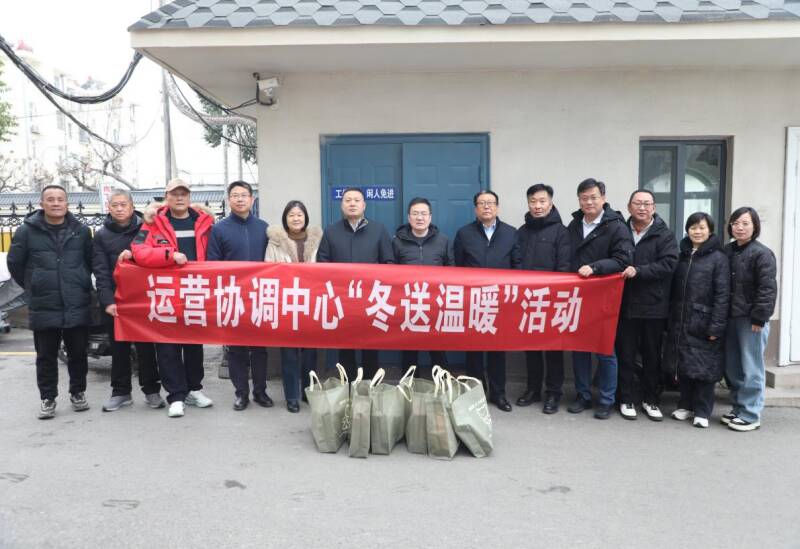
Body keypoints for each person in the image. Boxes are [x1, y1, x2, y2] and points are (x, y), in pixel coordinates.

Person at [129, 178, 215, 418]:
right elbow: (139, 251)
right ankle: (176, 396)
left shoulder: (205, 222)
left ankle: (194, 389)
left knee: (194, 344)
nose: (179, 198)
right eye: (174, 194)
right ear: (166, 197)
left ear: (189, 197)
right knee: (168, 347)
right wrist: (169, 255)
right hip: (166, 293)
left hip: (196, 292)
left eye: (183, 194)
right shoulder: (152, 223)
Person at [7, 185, 93, 419]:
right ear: (42, 204)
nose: (56, 203)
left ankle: (78, 392)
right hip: (44, 302)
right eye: (51, 199)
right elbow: (15, 263)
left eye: (60, 199)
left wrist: (79, 281)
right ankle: (48, 397)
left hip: (75, 300)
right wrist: (35, 283)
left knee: (78, 353)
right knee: (45, 355)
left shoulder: (81, 231)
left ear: (67, 203)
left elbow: (89, 261)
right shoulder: (26, 231)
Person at [566, 178, 633, 420]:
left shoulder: (616, 227)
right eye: (584, 198)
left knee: (606, 350)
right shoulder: (574, 225)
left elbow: (623, 260)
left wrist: (595, 268)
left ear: (603, 198)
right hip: (578, 297)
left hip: (605, 297)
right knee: (579, 349)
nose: (589, 202)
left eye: (593, 197)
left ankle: (606, 400)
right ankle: (582, 395)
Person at [92, 188, 164, 412]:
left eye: (124, 204)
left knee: (146, 347)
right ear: (109, 208)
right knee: (119, 348)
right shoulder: (101, 235)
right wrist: (108, 301)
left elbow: (157, 256)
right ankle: (121, 392)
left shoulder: (146, 228)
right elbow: (101, 272)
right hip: (117, 300)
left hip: (144, 298)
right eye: (115, 205)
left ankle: (151, 390)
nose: (120, 209)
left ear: (132, 207)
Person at [207, 181, 272, 412]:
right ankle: (241, 393)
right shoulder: (219, 229)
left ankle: (260, 391)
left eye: (244, 195)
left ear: (252, 199)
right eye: (235, 195)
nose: (240, 199)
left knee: (260, 348)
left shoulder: (264, 228)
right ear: (229, 200)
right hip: (232, 296)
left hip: (259, 297)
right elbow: (212, 264)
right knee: (236, 349)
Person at [453, 190, 521, 412]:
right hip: (472, 301)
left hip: (500, 302)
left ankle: (498, 394)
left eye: (490, 203)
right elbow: (457, 267)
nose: (486, 207)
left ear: (497, 207)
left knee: (497, 350)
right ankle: (475, 393)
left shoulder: (511, 233)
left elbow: (517, 266)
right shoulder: (464, 234)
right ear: (475, 208)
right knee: (473, 350)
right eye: (481, 203)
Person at [317, 187, 394, 379]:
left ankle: (371, 387)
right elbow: (322, 263)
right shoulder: (331, 231)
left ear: (364, 205)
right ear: (342, 205)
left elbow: (389, 262)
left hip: (371, 299)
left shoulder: (378, 230)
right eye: (348, 200)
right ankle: (348, 386)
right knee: (345, 347)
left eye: (357, 200)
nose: (352, 204)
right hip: (342, 300)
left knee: (371, 347)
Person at [615, 190, 679, 421]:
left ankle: (651, 399)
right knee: (626, 355)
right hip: (624, 305)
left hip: (654, 306)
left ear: (653, 208)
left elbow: (669, 264)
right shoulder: (620, 231)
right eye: (637, 203)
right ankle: (626, 398)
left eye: (647, 204)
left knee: (652, 356)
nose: (642, 208)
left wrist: (639, 271)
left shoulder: (665, 235)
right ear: (629, 207)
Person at [665, 212, 730, 429]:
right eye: (693, 227)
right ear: (687, 230)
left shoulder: (719, 258)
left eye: (702, 227)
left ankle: (702, 411)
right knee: (683, 364)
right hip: (681, 318)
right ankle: (685, 405)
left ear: (710, 230)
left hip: (704, 320)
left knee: (704, 368)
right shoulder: (682, 255)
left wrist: (716, 326)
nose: (697, 231)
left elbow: (722, 295)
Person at [515, 184, 571, 414]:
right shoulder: (522, 232)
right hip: (528, 300)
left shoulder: (561, 232)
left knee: (553, 349)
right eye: (533, 201)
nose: (537, 206)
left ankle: (554, 393)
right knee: (531, 348)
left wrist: (556, 297)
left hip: (552, 300)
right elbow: (516, 263)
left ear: (550, 203)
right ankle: (533, 389)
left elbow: (565, 266)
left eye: (542, 201)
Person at [265, 200, 323, 413]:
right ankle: (291, 396)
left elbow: (325, 268)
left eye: (299, 215)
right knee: (289, 353)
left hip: (311, 302)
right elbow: (268, 270)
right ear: (285, 219)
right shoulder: (275, 242)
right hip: (286, 303)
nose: (296, 218)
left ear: (305, 217)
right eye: (291, 215)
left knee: (310, 352)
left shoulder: (317, 240)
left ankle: (308, 391)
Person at [722, 207, 777, 432]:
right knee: (733, 367)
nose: (740, 227)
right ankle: (738, 408)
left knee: (751, 367)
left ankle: (751, 414)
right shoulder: (727, 251)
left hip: (751, 320)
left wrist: (760, 318)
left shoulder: (762, 253)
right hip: (730, 317)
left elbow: (767, 289)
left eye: (745, 223)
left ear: (755, 226)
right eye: (736, 223)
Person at [392, 197, 453, 377]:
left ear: (430, 217)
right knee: (409, 351)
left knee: (438, 350)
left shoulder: (443, 240)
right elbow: (390, 272)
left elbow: (452, 270)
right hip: (408, 304)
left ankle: (442, 385)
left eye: (424, 213)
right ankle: (410, 387)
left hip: (436, 304)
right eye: (415, 213)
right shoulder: (397, 241)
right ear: (409, 217)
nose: (420, 217)